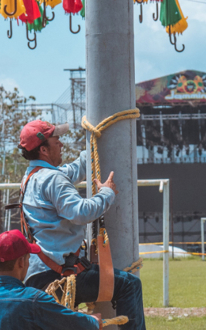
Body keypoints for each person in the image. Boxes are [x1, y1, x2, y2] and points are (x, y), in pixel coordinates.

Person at [18, 120, 146, 330]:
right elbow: (81, 213)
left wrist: (94, 142)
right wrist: (107, 192)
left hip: (38, 275)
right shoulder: (53, 179)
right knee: (130, 285)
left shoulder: (31, 177)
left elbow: (75, 169)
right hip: (60, 275)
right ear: (43, 149)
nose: (61, 144)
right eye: (56, 140)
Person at [0, 230, 101, 330]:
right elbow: (72, 323)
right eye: (28, 259)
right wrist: (93, 320)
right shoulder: (33, 300)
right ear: (21, 262)